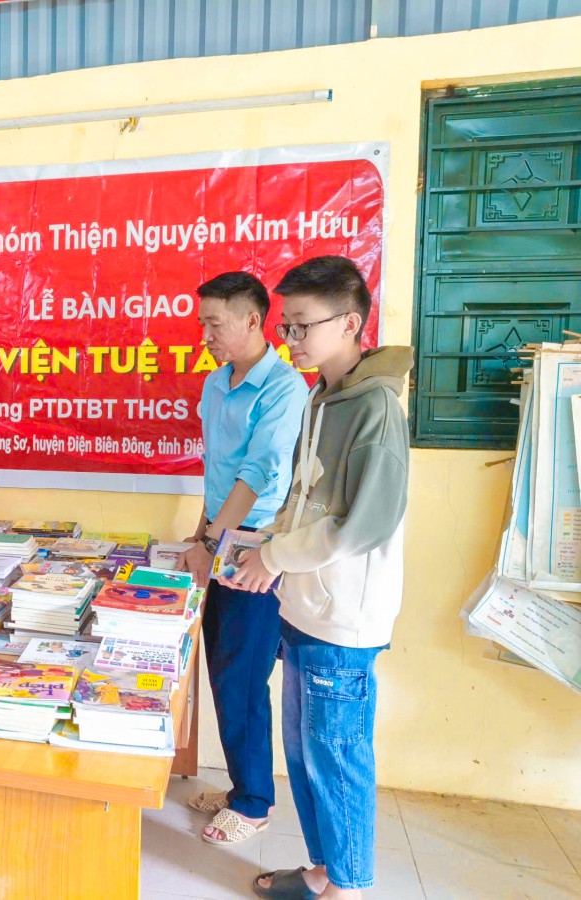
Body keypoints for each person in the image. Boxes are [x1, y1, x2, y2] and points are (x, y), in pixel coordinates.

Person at [224, 257, 411, 900]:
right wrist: (263, 546)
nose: (291, 340)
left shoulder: (376, 409)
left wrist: (275, 558)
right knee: (305, 753)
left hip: (343, 618)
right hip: (303, 606)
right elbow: (304, 501)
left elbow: (365, 525)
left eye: (302, 325)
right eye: (287, 325)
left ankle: (348, 888)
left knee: (337, 756)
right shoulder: (322, 397)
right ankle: (325, 869)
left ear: (350, 323)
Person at [179, 271, 306, 846]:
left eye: (214, 323)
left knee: (246, 676)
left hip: (255, 548)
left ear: (253, 320)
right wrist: (199, 535)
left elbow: (257, 475)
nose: (205, 335)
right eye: (202, 323)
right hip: (217, 535)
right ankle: (239, 789)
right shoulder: (215, 383)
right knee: (224, 671)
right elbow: (218, 472)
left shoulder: (285, 388)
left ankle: (254, 803)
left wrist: (212, 544)